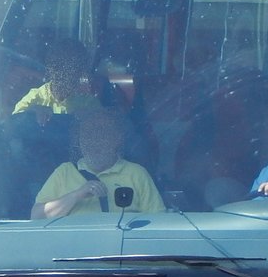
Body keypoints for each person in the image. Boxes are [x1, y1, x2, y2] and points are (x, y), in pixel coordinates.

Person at [32, 108, 165, 218]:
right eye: (87, 134)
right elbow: (36, 217)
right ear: (79, 141)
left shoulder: (136, 174)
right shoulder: (64, 172)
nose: (94, 141)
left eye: (101, 133)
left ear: (117, 138)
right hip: (72, 248)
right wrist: (76, 195)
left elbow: (158, 222)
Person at [11, 38, 100, 122]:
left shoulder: (89, 104)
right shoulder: (35, 98)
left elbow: (105, 129)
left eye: (74, 68)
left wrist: (90, 119)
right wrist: (32, 112)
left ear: (80, 73)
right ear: (51, 69)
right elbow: (12, 125)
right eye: (60, 66)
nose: (66, 74)